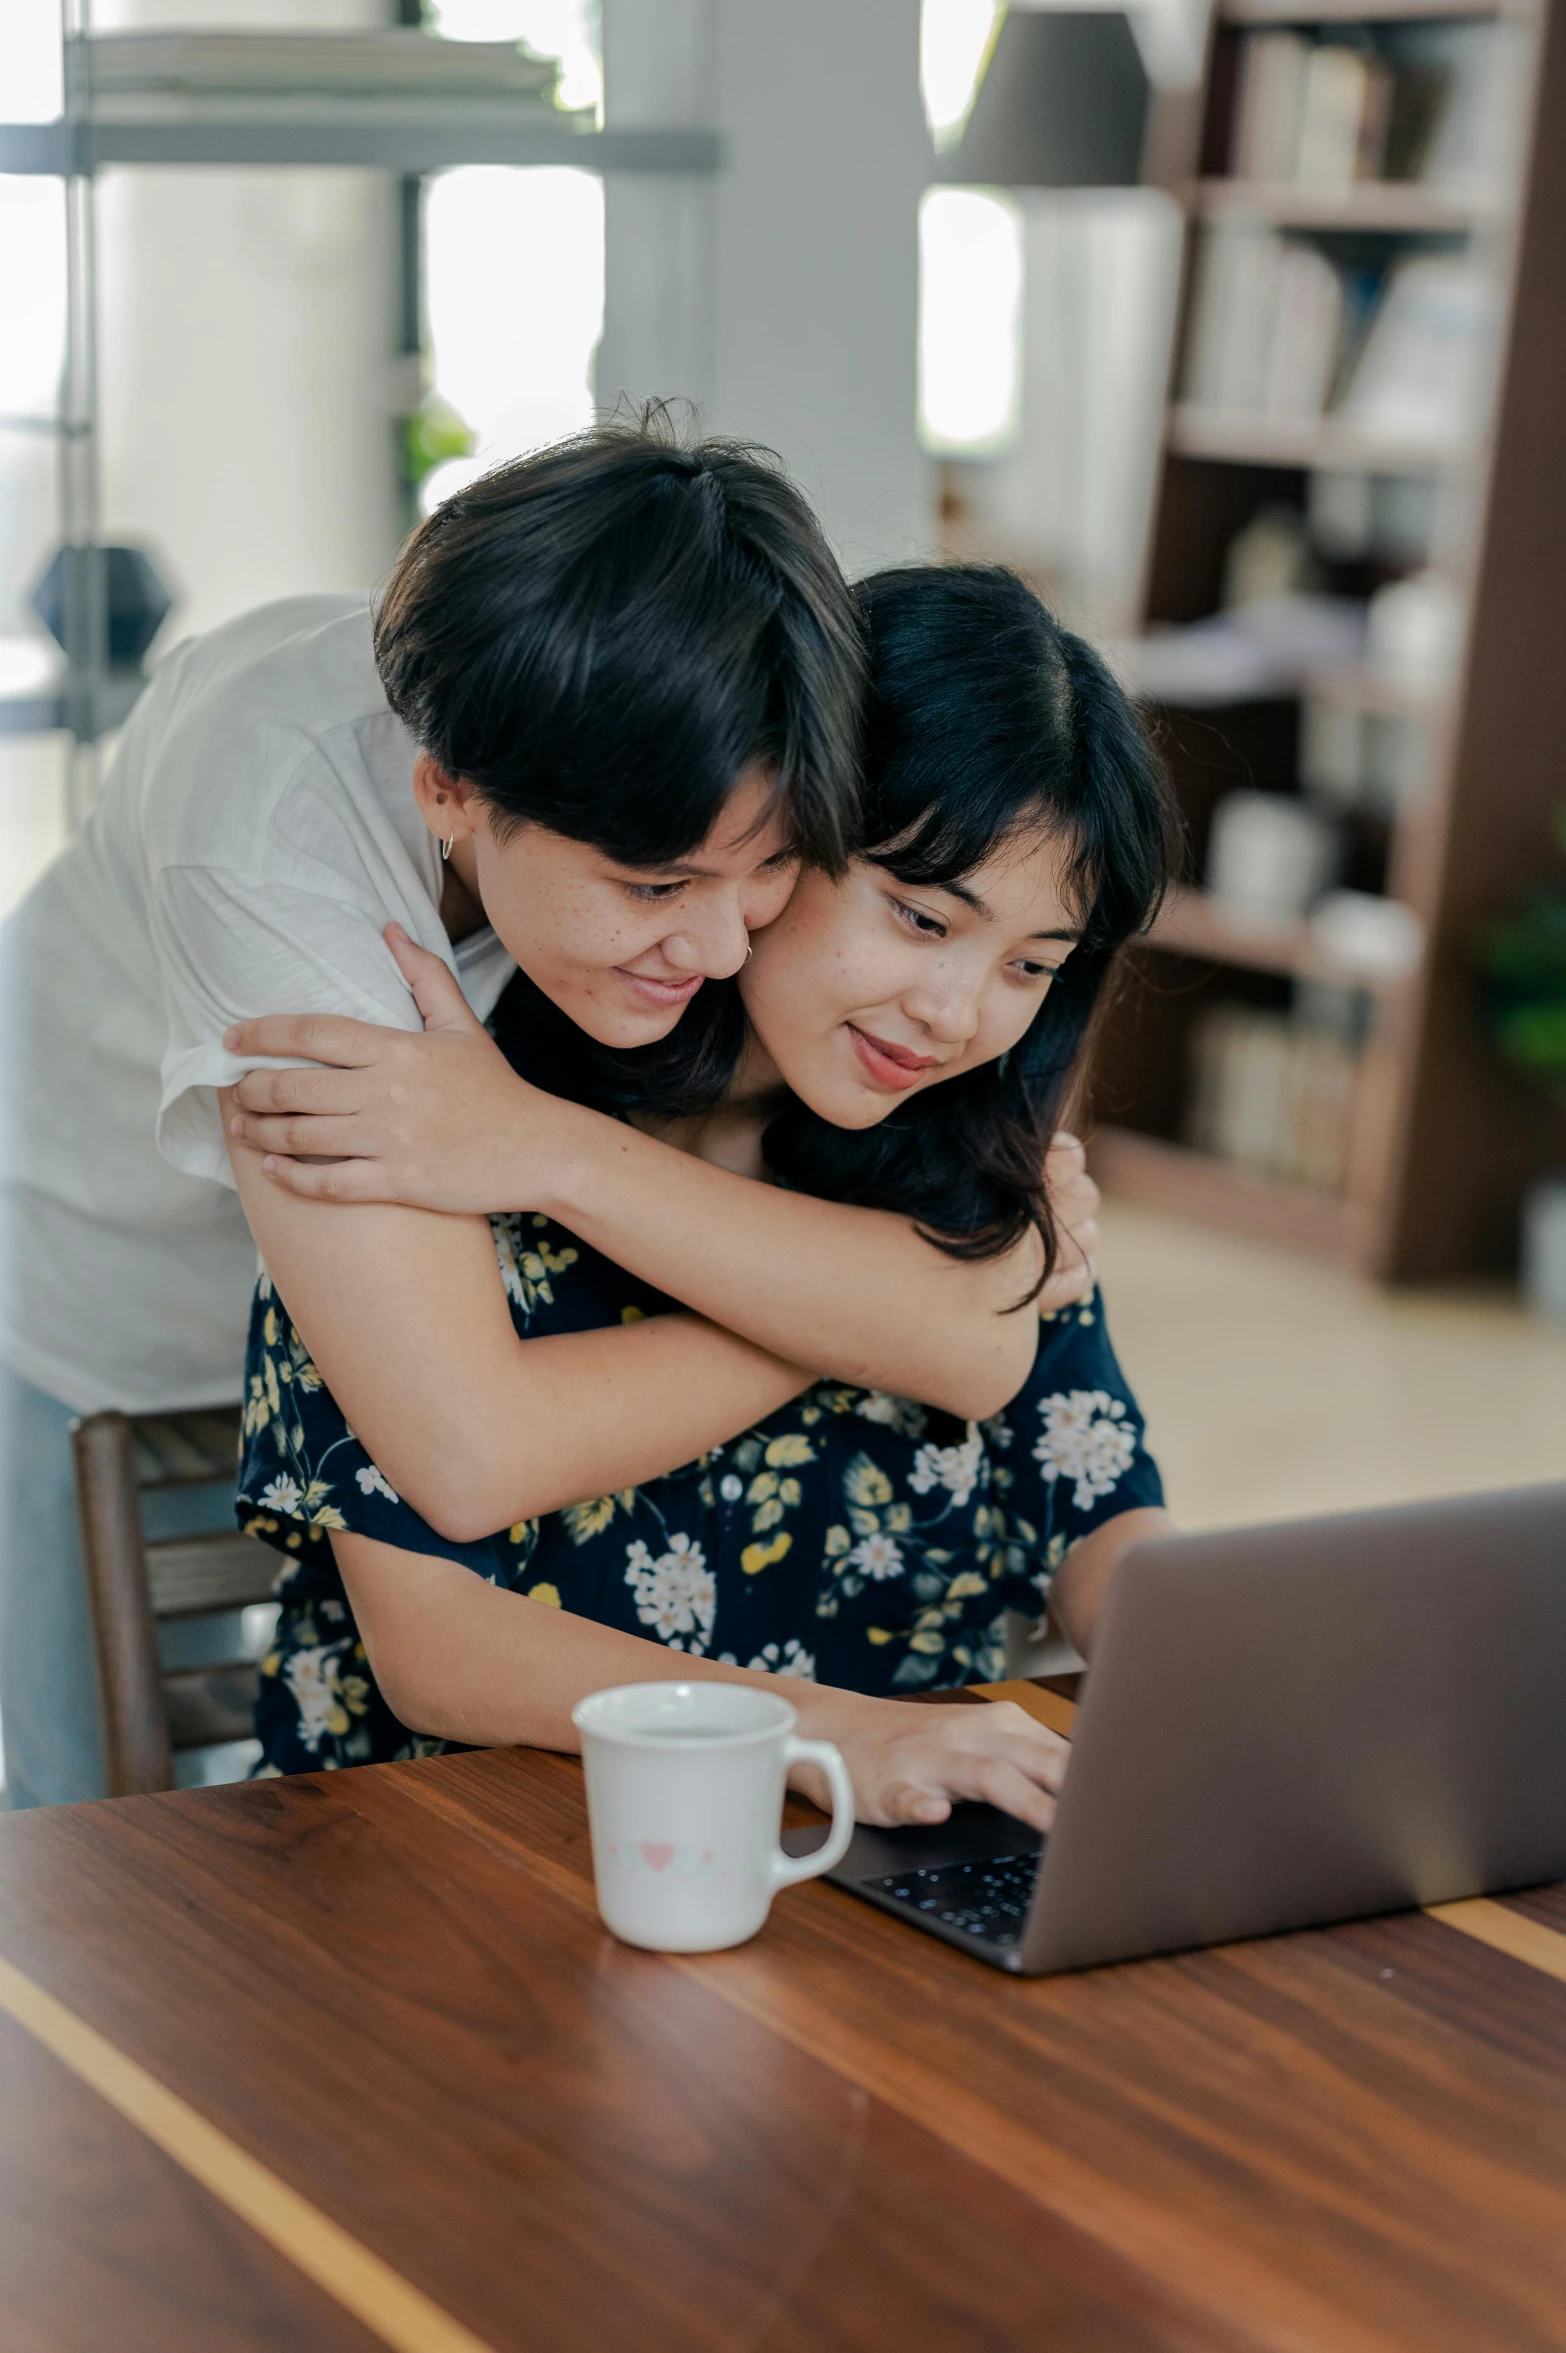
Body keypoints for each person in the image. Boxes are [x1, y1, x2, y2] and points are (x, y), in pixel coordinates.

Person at [225, 565, 1177, 1831]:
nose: (957, 1015)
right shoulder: (441, 1123)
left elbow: (1101, 1513)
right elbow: (437, 1648)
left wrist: (1220, 1679)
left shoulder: (977, 1174)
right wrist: (832, 1737)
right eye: (919, 915)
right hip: (463, 1880)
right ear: (781, 834)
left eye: (1031, 966)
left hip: (855, 1888)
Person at [0, 417, 866, 1808]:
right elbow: (467, 1448)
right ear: (447, 789)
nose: (716, 951)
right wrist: (849, 1317)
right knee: (90, 1826)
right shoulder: (266, 823)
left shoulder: (688, 743)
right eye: (654, 889)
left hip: (377, 1345)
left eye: (760, 879)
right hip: (85, 1291)